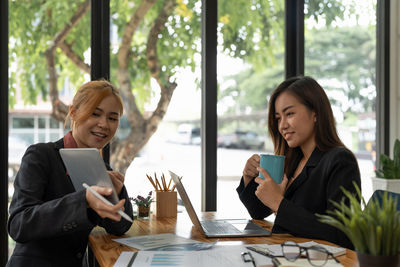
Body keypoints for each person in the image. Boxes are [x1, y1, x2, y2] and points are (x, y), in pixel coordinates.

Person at [7, 80, 134, 267]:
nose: (104, 124)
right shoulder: (41, 155)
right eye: (95, 114)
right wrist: (84, 201)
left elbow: (121, 227)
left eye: (112, 118)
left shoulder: (102, 168)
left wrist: (117, 193)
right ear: (73, 112)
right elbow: (19, 225)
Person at [237, 76, 361, 249]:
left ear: (315, 113)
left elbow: (342, 234)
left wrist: (278, 204)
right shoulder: (292, 160)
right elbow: (258, 212)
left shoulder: (340, 161)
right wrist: (248, 178)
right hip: (286, 253)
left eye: (289, 114)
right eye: (278, 118)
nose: (282, 126)